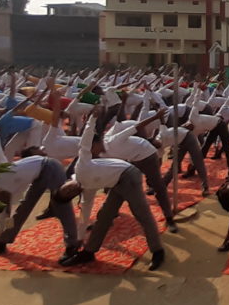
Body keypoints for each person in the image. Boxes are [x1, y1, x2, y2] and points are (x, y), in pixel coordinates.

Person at [59, 115, 165, 271]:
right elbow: (85, 213)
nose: (69, 190)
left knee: (141, 213)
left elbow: (85, 142)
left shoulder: (81, 168)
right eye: (68, 193)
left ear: (67, 183)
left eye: (65, 188)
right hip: (117, 181)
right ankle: (89, 252)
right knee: (103, 216)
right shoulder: (86, 189)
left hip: (128, 176)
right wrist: (79, 239)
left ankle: (157, 251)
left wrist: (93, 118)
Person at [0, 151, 79, 260]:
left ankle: (72, 245)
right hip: (39, 172)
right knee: (22, 211)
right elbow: (5, 213)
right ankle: (1, 244)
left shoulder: (7, 183)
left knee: (62, 207)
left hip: (51, 167)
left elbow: (8, 212)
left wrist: (1, 230)